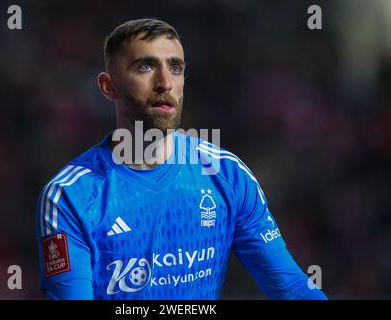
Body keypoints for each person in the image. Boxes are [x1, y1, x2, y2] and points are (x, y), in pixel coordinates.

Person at [36, 18, 327, 300]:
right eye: (146, 66)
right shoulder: (69, 196)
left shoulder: (228, 175)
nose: (164, 82)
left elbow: (291, 288)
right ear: (109, 86)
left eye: (175, 68)